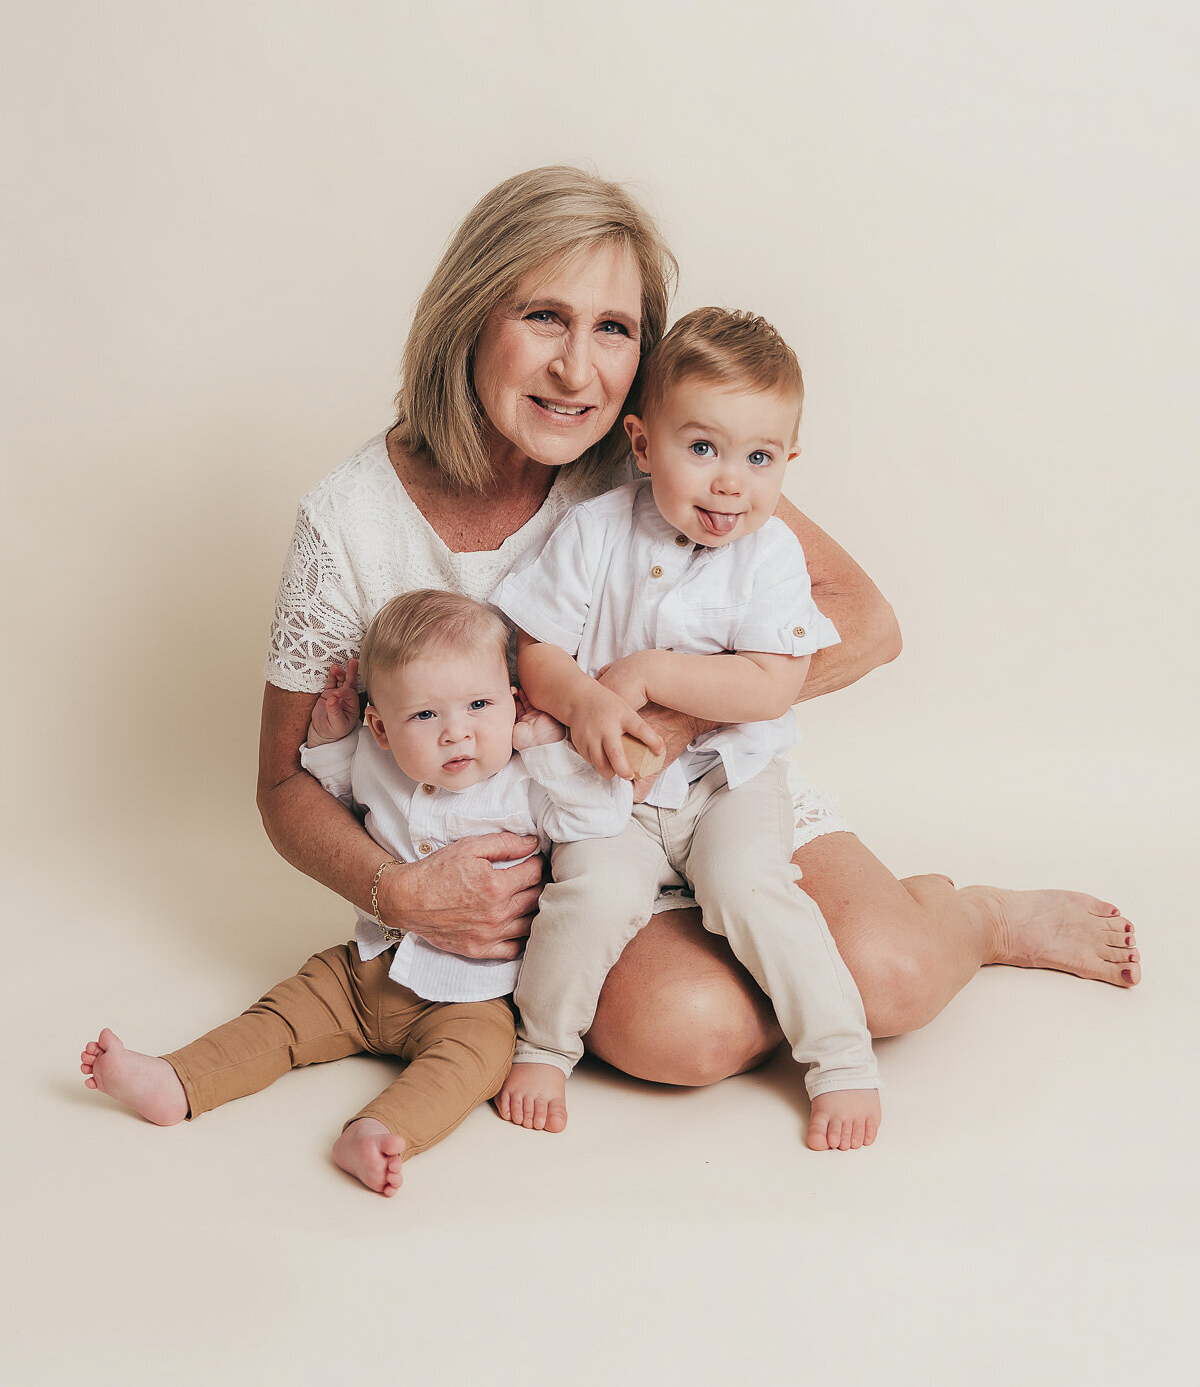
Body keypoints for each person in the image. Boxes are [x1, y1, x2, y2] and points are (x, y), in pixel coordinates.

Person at [255, 165, 1140, 1106]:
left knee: (898, 976)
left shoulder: (664, 462)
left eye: (615, 329)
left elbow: (867, 622)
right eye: (543, 318)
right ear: (470, 316)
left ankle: (974, 917)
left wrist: (677, 716)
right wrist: (404, 895)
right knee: (687, 1033)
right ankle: (766, 969)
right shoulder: (349, 523)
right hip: (538, 848)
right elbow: (281, 785)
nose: (577, 369)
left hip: (700, 792)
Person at [80, 590, 628, 1196]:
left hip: (476, 997)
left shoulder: (527, 782)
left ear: (515, 703)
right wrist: (333, 738)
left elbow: (597, 819)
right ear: (382, 728)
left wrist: (549, 748)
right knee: (282, 1016)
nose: (456, 733)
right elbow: (338, 794)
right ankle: (176, 1082)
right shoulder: (375, 760)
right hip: (365, 969)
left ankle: (376, 1131)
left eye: (479, 704)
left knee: (475, 1064)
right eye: (424, 716)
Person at [496, 308, 882, 1149]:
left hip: (726, 781)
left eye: (759, 457)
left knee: (752, 889)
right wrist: (589, 702)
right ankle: (542, 1045)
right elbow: (538, 651)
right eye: (701, 448)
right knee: (592, 895)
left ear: (787, 462)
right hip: (614, 790)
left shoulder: (771, 553)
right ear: (641, 443)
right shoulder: (596, 530)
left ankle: (841, 1062)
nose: (729, 483)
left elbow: (773, 684)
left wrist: (648, 674)